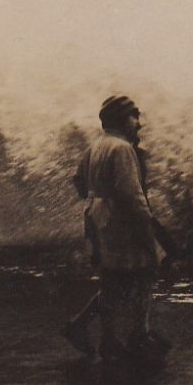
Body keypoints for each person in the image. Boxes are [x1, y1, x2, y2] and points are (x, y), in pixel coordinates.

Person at [62, 95, 169, 361]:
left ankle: (93, 332)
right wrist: (148, 231)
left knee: (113, 279)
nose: (139, 123)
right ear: (121, 119)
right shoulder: (121, 148)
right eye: (135, 116)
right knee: (145, 271)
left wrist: (99, 197)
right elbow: (132, 195)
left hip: (100, 217)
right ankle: (137, 335)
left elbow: (78, 180)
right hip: (123, 221)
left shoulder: (97, 145)